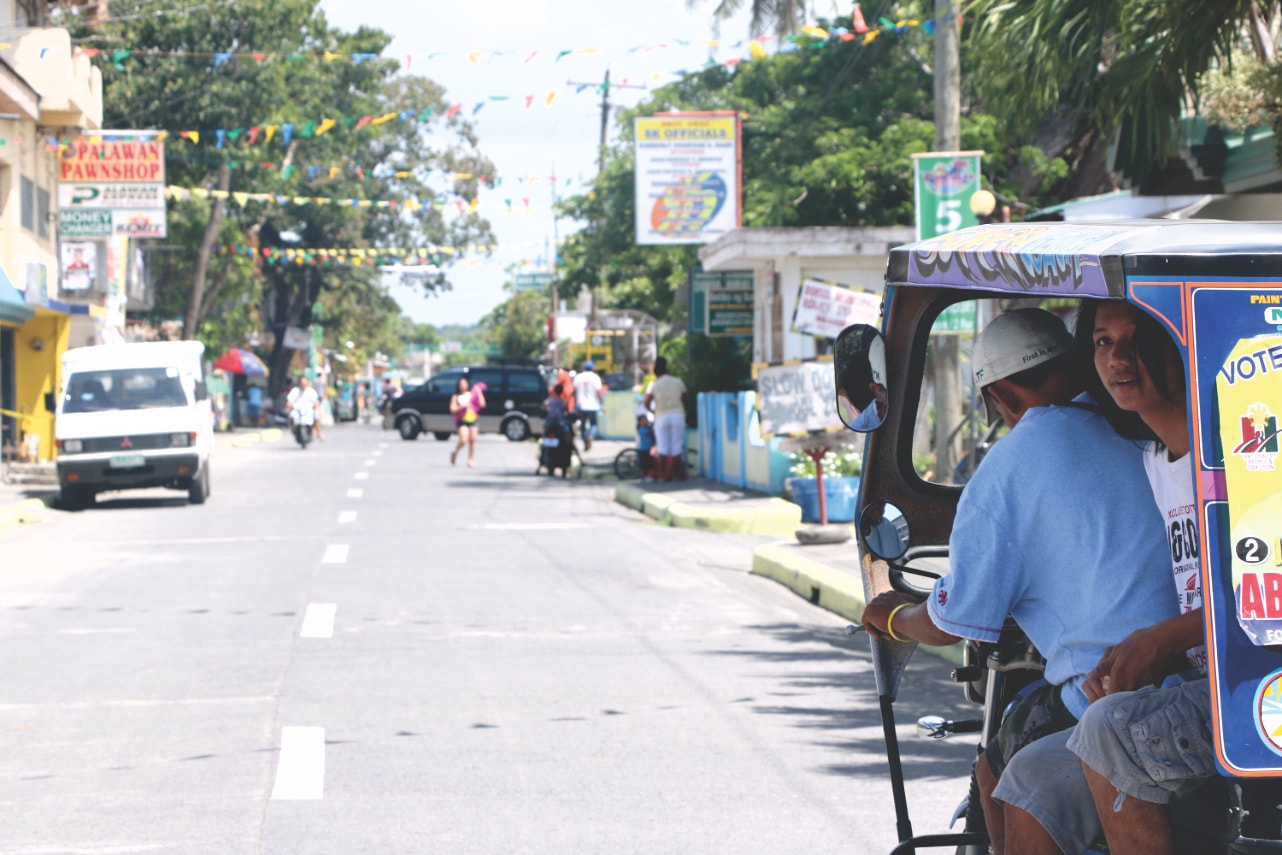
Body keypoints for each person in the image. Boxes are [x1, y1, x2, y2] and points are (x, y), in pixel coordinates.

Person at [859, 308, 1179, 854]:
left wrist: (890, 616)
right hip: (1200, 672)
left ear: (1003, 397)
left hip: (1114, 694)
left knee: (1005, 754)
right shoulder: (1147, 425)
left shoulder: (1011, 463)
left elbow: (951, 619)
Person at [994, 301, 1207, 855]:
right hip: (1198, 683)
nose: (1120, 358)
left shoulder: (1238, 458)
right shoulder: (1158, 460)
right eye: (1103, 342)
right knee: (1031, 774)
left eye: (1138, 338)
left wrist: (1162, 640)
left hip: (1255, 695)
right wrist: (1139, 657)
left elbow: (1265, 603)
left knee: (1109, 726)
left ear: (1182, 345)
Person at [642, 356, 689, 481]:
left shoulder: (654, 384)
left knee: (662, 447)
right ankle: (675, 474)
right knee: (676, 446)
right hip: (677, 414)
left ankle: (663, 476)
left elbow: (646, 402)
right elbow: (685, 398)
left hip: (661, 416)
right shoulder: (677, 381)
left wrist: (653, 411)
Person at [449, 377, 485, 468]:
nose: (463, 386)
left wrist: (479, 392)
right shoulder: (456, 396)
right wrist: (461, 407)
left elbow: (482, 404)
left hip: (473, 418)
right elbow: (452, 409)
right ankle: (455, 452)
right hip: (461, 420)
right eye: (461, 384)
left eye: (464, 384)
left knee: (473, 440)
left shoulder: (472, 394)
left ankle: (470, 460)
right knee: (464, 439)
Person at [572, 361, 605, 451]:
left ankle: (586, 440)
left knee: (582, 426)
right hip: (593, 406)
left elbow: (574, 391)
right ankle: (591, 436)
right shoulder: (595, 378)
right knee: (593, 424)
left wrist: (574, 404)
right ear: (593, 368)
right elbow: (598, 392)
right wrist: (602, 404)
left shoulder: (578, 377)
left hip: (581, 406)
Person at [286, 375, 320, 446]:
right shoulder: (295, 391)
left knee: (316, 416)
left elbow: (316, 401)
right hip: (297, 410)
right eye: (302, 383)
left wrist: (316, 404)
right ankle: (293, 429)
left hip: (308, 410)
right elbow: (289, 401)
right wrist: (289, 404)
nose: (303, 385)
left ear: (307, 383)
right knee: (291, 416)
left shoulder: (311, 391)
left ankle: (317, 431)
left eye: (304, 383)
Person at [636, 405, 657, 482]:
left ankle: (648, 476)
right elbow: (649, 433)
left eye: (645, 419)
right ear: (640, 421)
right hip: (644, 450)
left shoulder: (647, 427)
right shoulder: (642, 429)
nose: (645, 420)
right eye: (643, 419)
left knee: (649, 464)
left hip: (649, 449)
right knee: (645, 465)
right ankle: (644, 476)